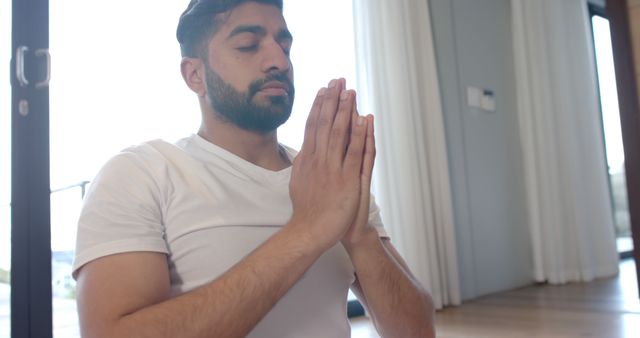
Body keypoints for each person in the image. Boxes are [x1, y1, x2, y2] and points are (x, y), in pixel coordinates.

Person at [72, 0, 435, 337]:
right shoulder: (141, 173)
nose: (278, 60)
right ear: (194, 75)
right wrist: (308, 230)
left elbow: (417, 332)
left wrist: (360, 235)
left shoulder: (329, 178)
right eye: (248, 45)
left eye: (285, 45)